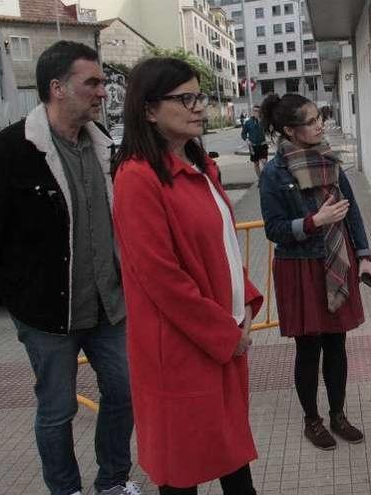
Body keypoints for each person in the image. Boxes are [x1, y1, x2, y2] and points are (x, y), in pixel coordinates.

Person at [0, 41, 139, 495]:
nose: (101, 92)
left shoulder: (106, 148)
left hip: (109, 307)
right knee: (57, 410)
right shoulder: (8, 151)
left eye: (103, 82)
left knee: (125, 394)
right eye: (91, 82)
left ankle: (112, 482)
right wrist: (18, 294)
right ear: (57, 88)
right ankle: (65, 490)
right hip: (48, 316)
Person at [111, 57, 263, 494]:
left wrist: (246, 305)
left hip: (222, 338)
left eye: (199, 96)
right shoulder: (138, 178)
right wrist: (225, 331)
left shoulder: (201, 167)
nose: (199, 106)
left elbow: (226, 248)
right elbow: (163, 280)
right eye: (186, 98)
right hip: (180, 352)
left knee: (234, 459)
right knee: (182, 476)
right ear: (149, 109)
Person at [258, 93, 371, 450]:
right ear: (290, 131)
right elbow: (274, 229)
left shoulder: (329, 159)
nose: (319, 125)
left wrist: (365, 255)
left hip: (337, 260)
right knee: (308, 349)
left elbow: (351, 210)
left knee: (337, 345)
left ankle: (338, 414)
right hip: (300, 268)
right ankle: (313, 420)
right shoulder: (275, 173)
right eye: (310, 121)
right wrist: (314, 221)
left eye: (318, 118)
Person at [240, 105, 266, 177]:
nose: (256, 112)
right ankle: (260, 179)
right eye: (254, 111)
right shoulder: (248, 122)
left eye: (257, 111)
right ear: (252, 111)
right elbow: (243, 133)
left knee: (264, 162)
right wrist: (247, 139)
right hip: (253, 146)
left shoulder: (262, 121)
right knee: (256, 163)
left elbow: (268, 130)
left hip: (262, 145)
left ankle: (266, 178)